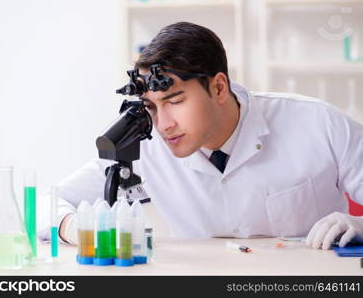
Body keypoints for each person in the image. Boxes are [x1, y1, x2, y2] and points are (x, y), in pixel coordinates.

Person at [38, 22, 363, 250]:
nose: (163, 124)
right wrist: (75, 229)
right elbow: (43, 205)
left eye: (175, 101)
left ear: (219, 87)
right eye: (151, 106)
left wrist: (360, 226)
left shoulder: (320, 123)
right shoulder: (145, 145)